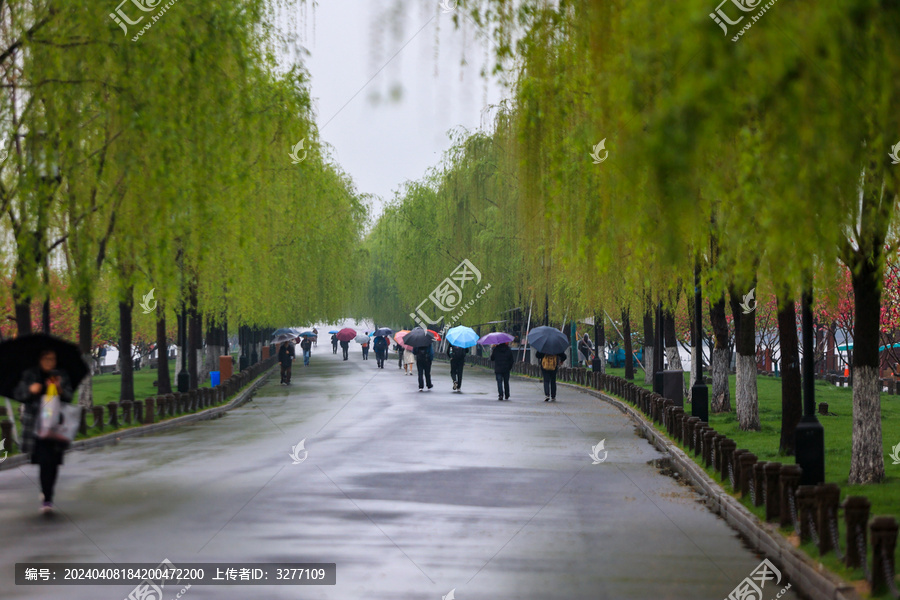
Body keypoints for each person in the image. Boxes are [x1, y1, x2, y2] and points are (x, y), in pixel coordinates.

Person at [14, 350, 74, 513]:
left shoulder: (60, 374)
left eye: (53, 359)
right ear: (39, 359)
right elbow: (19, 394)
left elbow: (69, 396)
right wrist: (30, 390)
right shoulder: (31, 374)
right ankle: (46, 497)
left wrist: (60, 389)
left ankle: (48, 494)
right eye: (46, 359)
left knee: (53, 462)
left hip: (56, 426)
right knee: (44, 461)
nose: (50, 362)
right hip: (36, 426)